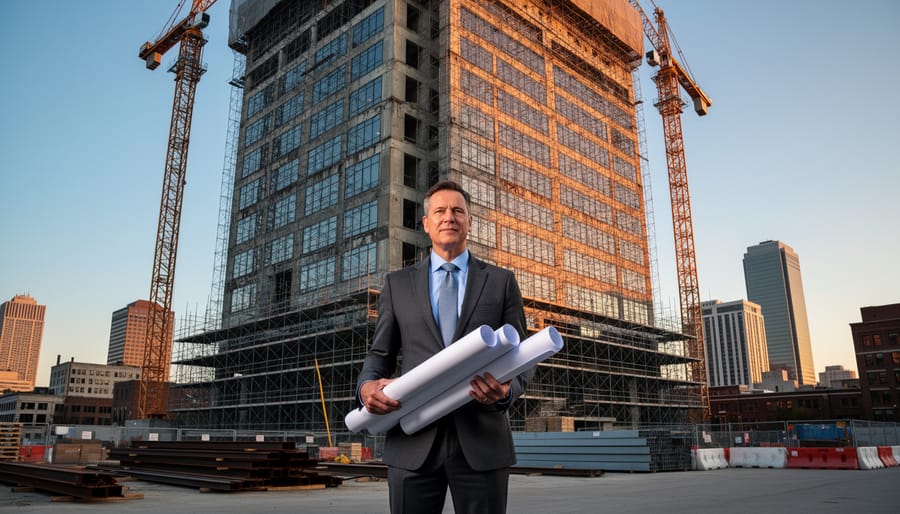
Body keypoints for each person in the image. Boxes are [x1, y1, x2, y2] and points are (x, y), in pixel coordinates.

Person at [357, 180, 531, 513]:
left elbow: (521, 355)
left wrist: (507, 391)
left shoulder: (501, 281)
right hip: (413, 441)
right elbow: (380, 354)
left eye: (457, 210)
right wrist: (366, 387)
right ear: (426, 224)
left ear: (469, 222)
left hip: (482, 441)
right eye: (439, 211)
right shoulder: (397, 284)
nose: (448, 217)